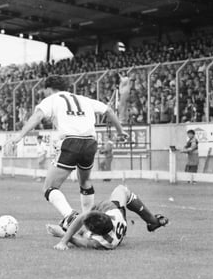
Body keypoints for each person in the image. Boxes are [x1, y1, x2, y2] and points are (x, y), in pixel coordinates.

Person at [7, 75, 128, 229]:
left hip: (71, 142)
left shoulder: (52, 99)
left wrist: (18, 137)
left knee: (49, 188)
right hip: (90, 142)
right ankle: (88, 220)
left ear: (49, 88)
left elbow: (37, 116)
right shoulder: (83, 99)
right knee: (84, 181)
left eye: (44, 90)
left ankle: (70, 216)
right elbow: (109, 111)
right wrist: (120, 131)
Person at [47, 184, 169, 250]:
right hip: (119, 218)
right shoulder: (112, 210)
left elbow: (82, 243)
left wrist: (63, 237)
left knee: (79, 230)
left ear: (94, 233)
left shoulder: (101, 243)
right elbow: (85, 217)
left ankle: (69, 220)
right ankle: (152, 221)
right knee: (122, 190)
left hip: (115, 227)